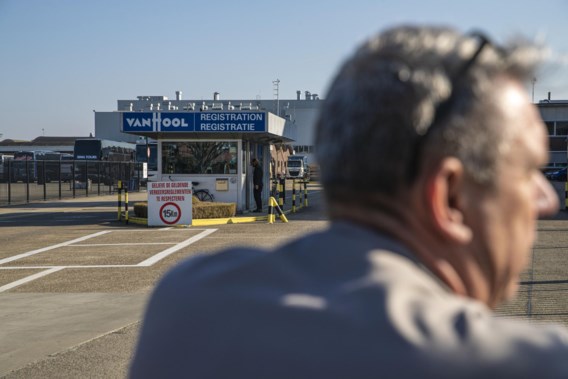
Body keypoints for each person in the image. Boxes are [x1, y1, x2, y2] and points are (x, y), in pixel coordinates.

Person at [130, 25, 568, 378]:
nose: (546, 198)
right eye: (527, 170)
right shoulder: (535, 363)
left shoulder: (188, 300)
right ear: (449, 196)